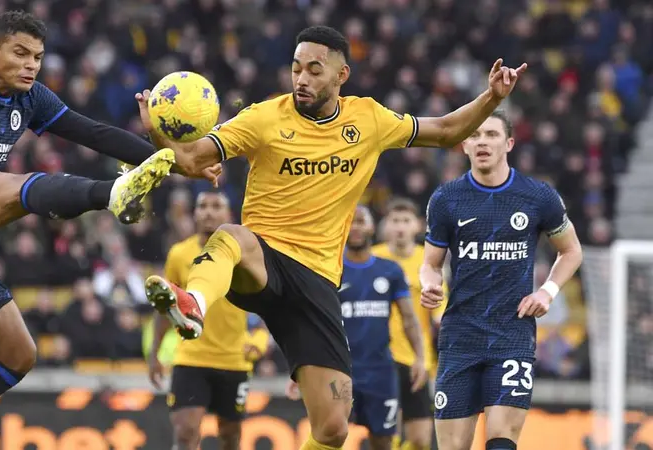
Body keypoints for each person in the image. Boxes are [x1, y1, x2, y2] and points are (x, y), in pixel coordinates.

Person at [141, 25, 526, 449]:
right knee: (232, 235)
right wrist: (158, 133)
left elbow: (447, 131)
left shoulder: (370, 120)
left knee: (333, 429)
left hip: (318, 283)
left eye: (314, 70)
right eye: (295, 69)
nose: (301, 79)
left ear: (341, 76)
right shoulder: (263, 117)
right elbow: (193, 158)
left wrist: (492, 97)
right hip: (263, 261)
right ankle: (193, 300)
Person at [0, 11, 215, 450]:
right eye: (20, 53)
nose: (31, 65)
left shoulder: (31, 98)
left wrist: (178, 159)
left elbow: (93, 133)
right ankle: (110, 193)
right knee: (8, 187)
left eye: (37, 56)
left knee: (19, 355)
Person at [420, 111, 583, 450]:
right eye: (475, 135)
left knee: (501, 442)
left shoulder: (538, 197)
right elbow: (430, 264)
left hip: (512, 333)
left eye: (492, 135)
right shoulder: (446, 200)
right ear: (464, 144)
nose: (482, 141)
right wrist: (429, 283)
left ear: (508, 143)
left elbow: (571, 251)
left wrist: (548, 292)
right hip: (460, 336)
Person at [287, 205, 427, 450]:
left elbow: (408, 317)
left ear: (373, 227)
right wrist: (300, 367)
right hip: (339, 371)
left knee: (384, 442)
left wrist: (420, 357)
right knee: (331, 436)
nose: (356, 228)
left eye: (361, 221)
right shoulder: (329, 269)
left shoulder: (390, 270)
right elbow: (309, 321)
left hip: (381, 371)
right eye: (350, 222)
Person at [148, 189, 269, 450]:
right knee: (186, 432)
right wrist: (154, 354)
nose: (208, 212)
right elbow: (166, 306)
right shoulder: (180, 254)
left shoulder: (244, 254)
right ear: (194, 214)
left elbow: (263, 307)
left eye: (216, 206)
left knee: (230, 437)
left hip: (233, 361)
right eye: (202, 206)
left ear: (229, 215)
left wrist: (260, 339)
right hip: (190, 359)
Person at [372, 198, 442, 450]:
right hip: (380, 358)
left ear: (418, 226)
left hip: (417, 360)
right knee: (384, 434)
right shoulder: (372, 258)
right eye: (395, 221)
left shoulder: (430, 261)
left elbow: (440, 313)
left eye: (405, 220)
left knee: (421, 440)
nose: (400, 227)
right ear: (384, 227)